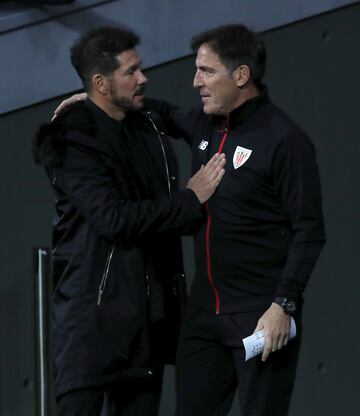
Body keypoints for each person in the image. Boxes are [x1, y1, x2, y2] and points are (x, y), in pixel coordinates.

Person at [54, 23, 326, 416]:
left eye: (206, 71)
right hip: (202, 322)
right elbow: (156, 108)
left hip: (261, 315)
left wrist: (283, 304)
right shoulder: (202, 124)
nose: (196, 81)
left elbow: (309, 230)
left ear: (242, 75)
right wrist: (96, 97)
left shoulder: (285, 139)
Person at [33, 26, 225, 416]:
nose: (143, 78)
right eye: (131, 72)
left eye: (141, 68)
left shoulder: (145, 122)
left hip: (146, 326)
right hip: (90, 329)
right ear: (101, 83)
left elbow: (185, 119)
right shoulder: (74, 138)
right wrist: (189, 200)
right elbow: (114, 218)